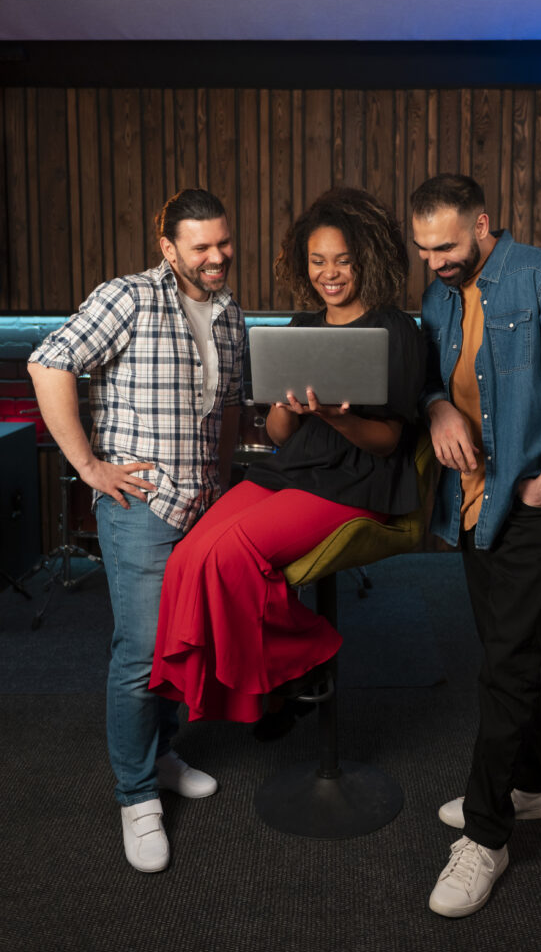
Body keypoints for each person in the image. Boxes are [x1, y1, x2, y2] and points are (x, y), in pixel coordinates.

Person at [412, 174, 541, 918]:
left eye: (447, 245)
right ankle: (529, 791)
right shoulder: (438, 295)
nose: (435, 260)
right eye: (424, 249)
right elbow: (429, 378)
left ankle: (486, 835)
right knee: (508, 652)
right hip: (472, 506)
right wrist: (437, 406)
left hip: (530, 502)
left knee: (503, 667)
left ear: (483, 224)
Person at [149, 187, 426, 733]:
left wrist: (337, 416)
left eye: (343, 261)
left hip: (356, 480)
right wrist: (287, 406)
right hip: (292, 469)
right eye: (319, 261)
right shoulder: (301, 330)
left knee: (233, 555)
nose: (331, 274)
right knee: (189, 555)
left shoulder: (396, 329)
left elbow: (388, 441)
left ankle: (308, 656)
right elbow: (279, 434)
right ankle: (274, 687)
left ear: (365, 260)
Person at [27, 189, 246, 874]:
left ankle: (165, 754)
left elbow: (230, 406)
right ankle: (136, 794)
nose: (216, 256)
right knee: (140, 652)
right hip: (142, 509)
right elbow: (48, 361)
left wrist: (228, 477)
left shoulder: (231, 311)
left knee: (183, 640)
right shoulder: (127, 297)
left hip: (203, 503)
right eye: (201, 246)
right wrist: (88, 465)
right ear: (168, 248)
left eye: (222, 242)